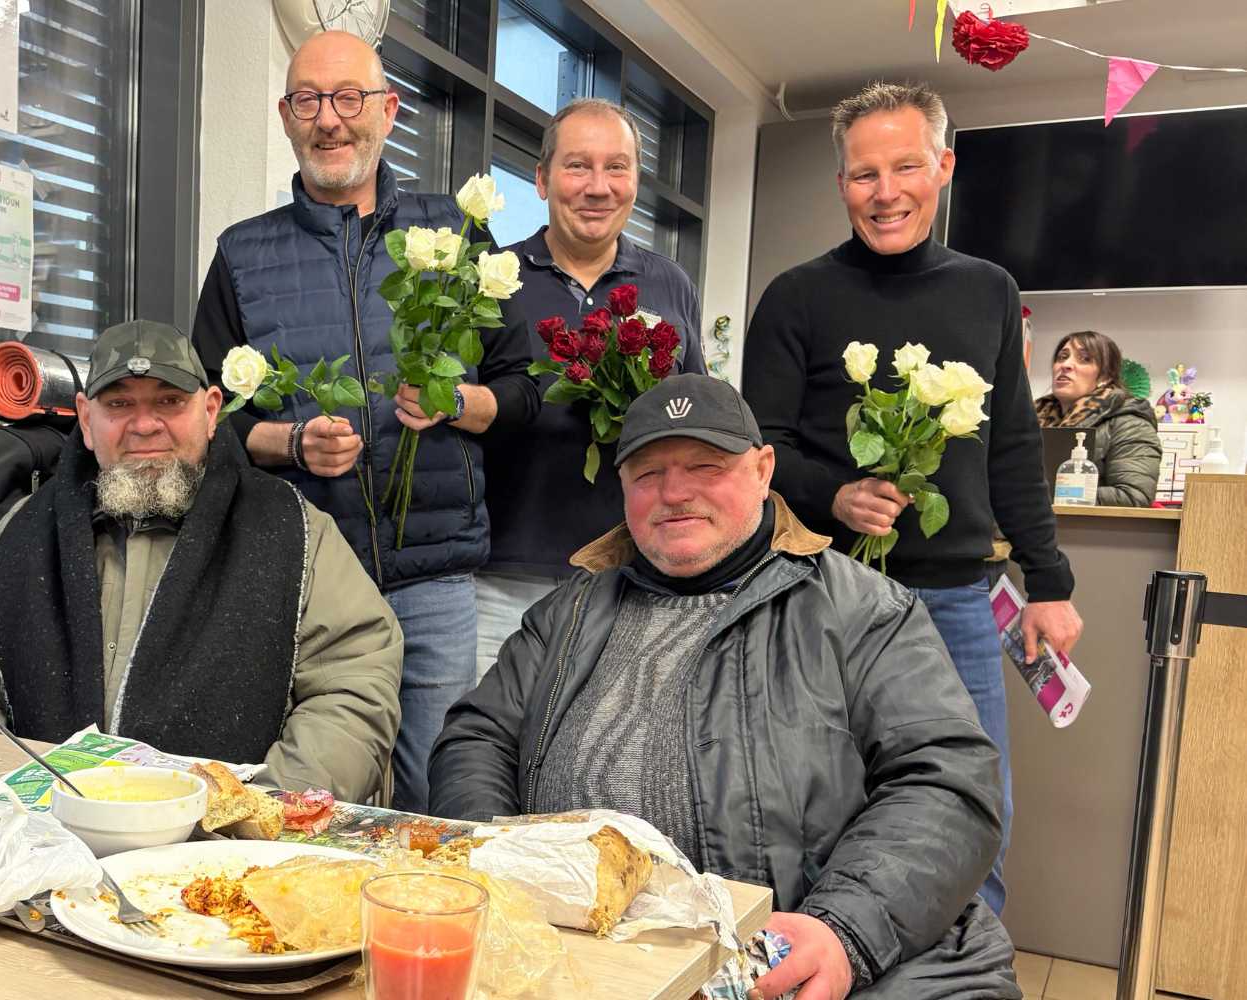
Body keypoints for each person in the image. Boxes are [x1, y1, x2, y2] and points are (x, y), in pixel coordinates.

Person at [430, 375, 1012, 999]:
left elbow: (946, 779)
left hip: (798, 962)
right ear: (621, 486)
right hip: (583, 958)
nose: (674, 492)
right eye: (647, 473)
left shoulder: (860, 610)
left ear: (763, 471)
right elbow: (478, 735)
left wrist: (844, 931)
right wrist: (500, 874)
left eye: (705, 465)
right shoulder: (567, 611)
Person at [740, 81, 1081, 915]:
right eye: (864, 175)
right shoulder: (796, 295)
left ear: (944, 168)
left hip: (959, 604)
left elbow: (1009, 452)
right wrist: (837, 494)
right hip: (825, 595)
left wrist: (1052, 582)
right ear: (842, 183)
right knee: (816, 819)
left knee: (971, 819)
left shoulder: (991, 291)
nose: (885, 192)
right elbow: (760, 452)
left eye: (905, 168)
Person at [190, 29, 538, 812]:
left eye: (349, 98)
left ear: (389, 110)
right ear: (285, 116)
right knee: (307, 799)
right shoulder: (243, 255)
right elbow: (201, 419)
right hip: (302, 578)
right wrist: (289, 444)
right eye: (309, 100)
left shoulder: (455, 238)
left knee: (434, 794)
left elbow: (521, 393)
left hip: (435, 578)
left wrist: (456, 401)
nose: (330, 120)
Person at [0, 321, 404, 804]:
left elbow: (354, 684)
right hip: (42, 835)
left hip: (223, 854)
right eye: (119, 403)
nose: (145, 425)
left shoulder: (294, 529)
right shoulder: (23, 532)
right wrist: (13, 794)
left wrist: (258, 811)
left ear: (211, 411)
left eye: (169, 401)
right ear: (85, 419)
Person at [476, 97, 707, 681]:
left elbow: (692, 421)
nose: (598, 187)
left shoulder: (670, 284)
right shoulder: (490, 281)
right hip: (501, 575)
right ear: (541, 179)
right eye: (578, 166)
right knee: (486, 752)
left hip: (633, 572)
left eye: (617, 167)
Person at [1035, 331, 1162, 507]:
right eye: (1062, 357)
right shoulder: (1030, 418)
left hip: (1089, 531)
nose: (1066, 365)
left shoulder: (1129, 422)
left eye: (1085, 359)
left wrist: (1041, 497)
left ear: (1106, 376)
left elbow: (1134, 497)